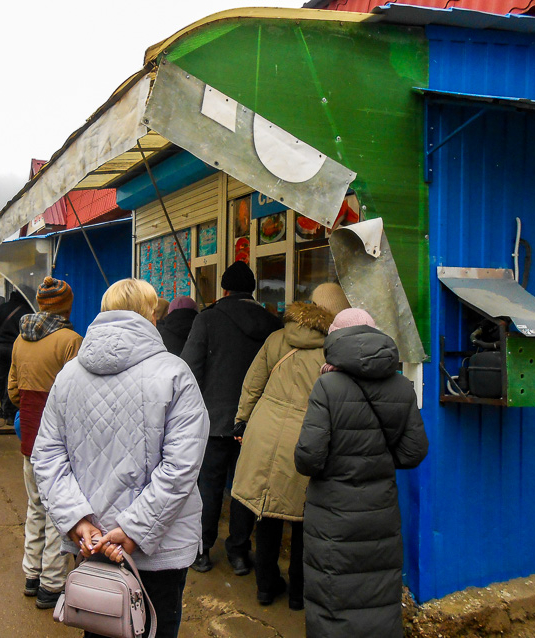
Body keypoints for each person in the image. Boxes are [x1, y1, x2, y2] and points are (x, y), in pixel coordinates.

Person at [32, 279, 209, 638]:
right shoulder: (174, 373)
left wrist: (79, 522)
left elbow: (47, 454)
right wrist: (131, 530)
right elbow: (181, 467)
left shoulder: (68, 376)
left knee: (100, 625)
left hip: (92, 544)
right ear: (151, 315)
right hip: (158, 547)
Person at [294, 308, 429, 637]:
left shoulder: (327, 386)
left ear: (335, 340)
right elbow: (414, 451)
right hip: (380, 511)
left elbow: (308, 458)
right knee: (377, 592)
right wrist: (375, 462)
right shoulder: (400, 386)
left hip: (333, 514)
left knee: (333, 593)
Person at [181, 261, 282, 575]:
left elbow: (189, 371)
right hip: (255, 423)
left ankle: (201, 550)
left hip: (213, 422)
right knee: (243, 489)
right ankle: (239, 553)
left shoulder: (207, 320)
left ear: (224, 289)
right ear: (251, 290)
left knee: (208, 488)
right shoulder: (272, 323)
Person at [231, 301, 334, 608]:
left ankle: (265, 586)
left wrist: (242, 419)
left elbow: (253, 383)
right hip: (306, 435)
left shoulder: (276, 338)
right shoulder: (332, 349)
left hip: (265, 428)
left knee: (267, 512)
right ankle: (299, 595)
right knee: (303, 516)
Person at [8, 277, 82, 610]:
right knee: (58, 513)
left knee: (35, 507)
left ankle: (31, 576)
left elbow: (12, 391)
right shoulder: (71, 341)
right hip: (61, 442)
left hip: (30, 438)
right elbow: (80, 394)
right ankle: (51, 586)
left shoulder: (20, 340)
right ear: (67, 305)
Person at [0, 290, 30, 423]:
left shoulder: (1, 308)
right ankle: (10, 411)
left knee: (0, 379)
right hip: (16, 348)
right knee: (14, 379)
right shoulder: (27, 310)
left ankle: (3, 408)